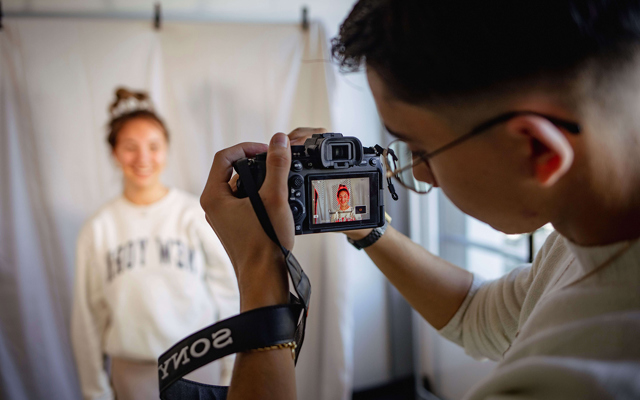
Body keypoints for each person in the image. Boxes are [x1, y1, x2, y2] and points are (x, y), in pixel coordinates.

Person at [200, 1, 640, 399]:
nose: (419, 171)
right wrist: (360, 219)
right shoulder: (586, 236)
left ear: (536, 151)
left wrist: (260, 269)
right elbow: (478, 315)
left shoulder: (583, 379)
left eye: (421, 149)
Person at [71, 88, 239, 400]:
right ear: (114, 153)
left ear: (166, 149)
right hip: (132, 373)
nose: (143, 158)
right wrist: (95, 391)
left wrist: (232, 368)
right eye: (130, 147)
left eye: (153, 146)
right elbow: (87, 318)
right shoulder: (98, 229)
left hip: (201, 363)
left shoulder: (195, 214)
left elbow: (227, 296)